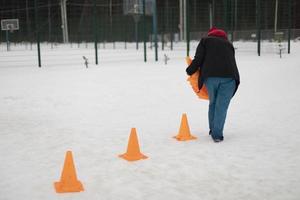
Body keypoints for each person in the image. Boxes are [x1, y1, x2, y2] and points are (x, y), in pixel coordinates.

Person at [186, 27, 240, 143]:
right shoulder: (229, 44)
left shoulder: (205, 41)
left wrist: (190, 70)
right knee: (221, 106)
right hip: (229, 78)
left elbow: (198, 59)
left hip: (210, 77)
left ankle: (213, 130)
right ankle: (217, 134)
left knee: (213, 103)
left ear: (210, 34)